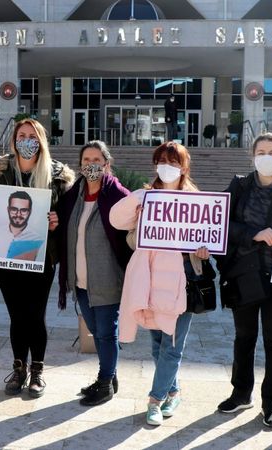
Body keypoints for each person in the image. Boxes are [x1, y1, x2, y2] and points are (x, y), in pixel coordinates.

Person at [109, 142, 209, 425]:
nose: (167, 166)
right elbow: (123, 229)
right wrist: (141, 218)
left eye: (173, 162)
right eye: (162, 161)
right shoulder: (146, 198)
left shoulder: (196, 201)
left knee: (172, 344)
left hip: (183, 279)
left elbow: (207, 238)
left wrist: (203, 251)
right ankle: (173, 392)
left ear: (184, 167)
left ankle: (155, 399)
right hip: (151, 278)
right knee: (156, 342)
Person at [215, 132, 272, 427]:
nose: (266, 157)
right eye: (261, 152)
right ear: (253, 156)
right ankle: (241, 393)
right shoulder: (240, 186)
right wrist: (253, 233)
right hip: (244, 273)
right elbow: (220, 222)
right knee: (244, 336)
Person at [0, 118, 74, 397]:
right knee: (16, 315)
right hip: (7, 256)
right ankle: (19, 368)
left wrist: (58, 221)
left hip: (41, 257)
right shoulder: (2, 170)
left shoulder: (58, 175)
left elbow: (68, 216)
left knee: (35, 314)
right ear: (14, 140)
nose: (26, 141)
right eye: (21, 136)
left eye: (32, 136)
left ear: (41, 141)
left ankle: (37, 371)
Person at [56, 140, 132, 406]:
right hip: (80, 279)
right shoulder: (72, 197)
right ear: (80, 165)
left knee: (106, 333)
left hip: (108, 279)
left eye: (97, 160)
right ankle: (110, 376)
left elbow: (133, 229)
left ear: (106, 164)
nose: (91, 165)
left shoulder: (119, 196)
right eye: (86, 160)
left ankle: (105, 383)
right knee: (95, 330)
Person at [0, 190, 45, 261]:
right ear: (8, 210)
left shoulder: (38, 240)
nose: (18, 214)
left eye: (24, 210)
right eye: (14, 209)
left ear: (30, 212)